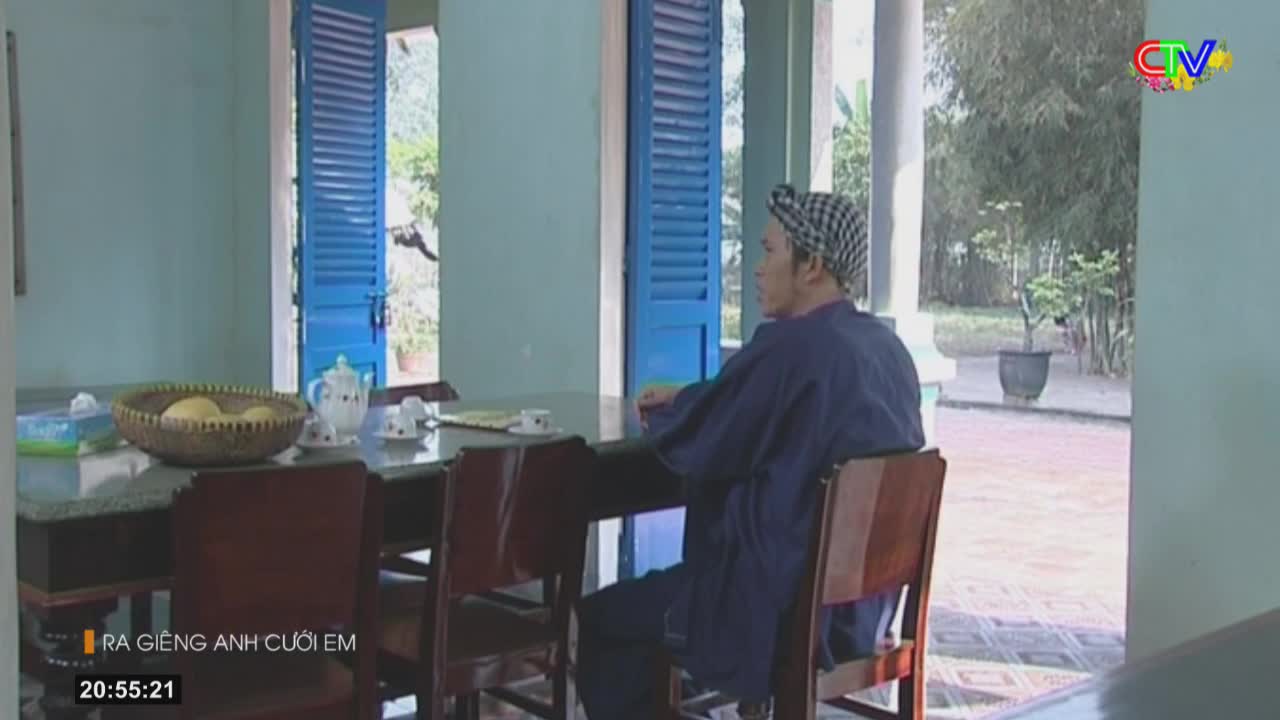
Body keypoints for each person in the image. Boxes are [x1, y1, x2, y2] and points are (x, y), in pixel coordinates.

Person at [575, 184, 927, 718]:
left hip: (771, 614)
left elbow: (707, 432)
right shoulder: (887, 350)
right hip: (858, 614)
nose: (759, 269)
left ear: (811, 265)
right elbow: (747, 407)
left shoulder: (789, 348)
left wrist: (675, 408)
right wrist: (696, 395)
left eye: (769, 252)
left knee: (602, 620)